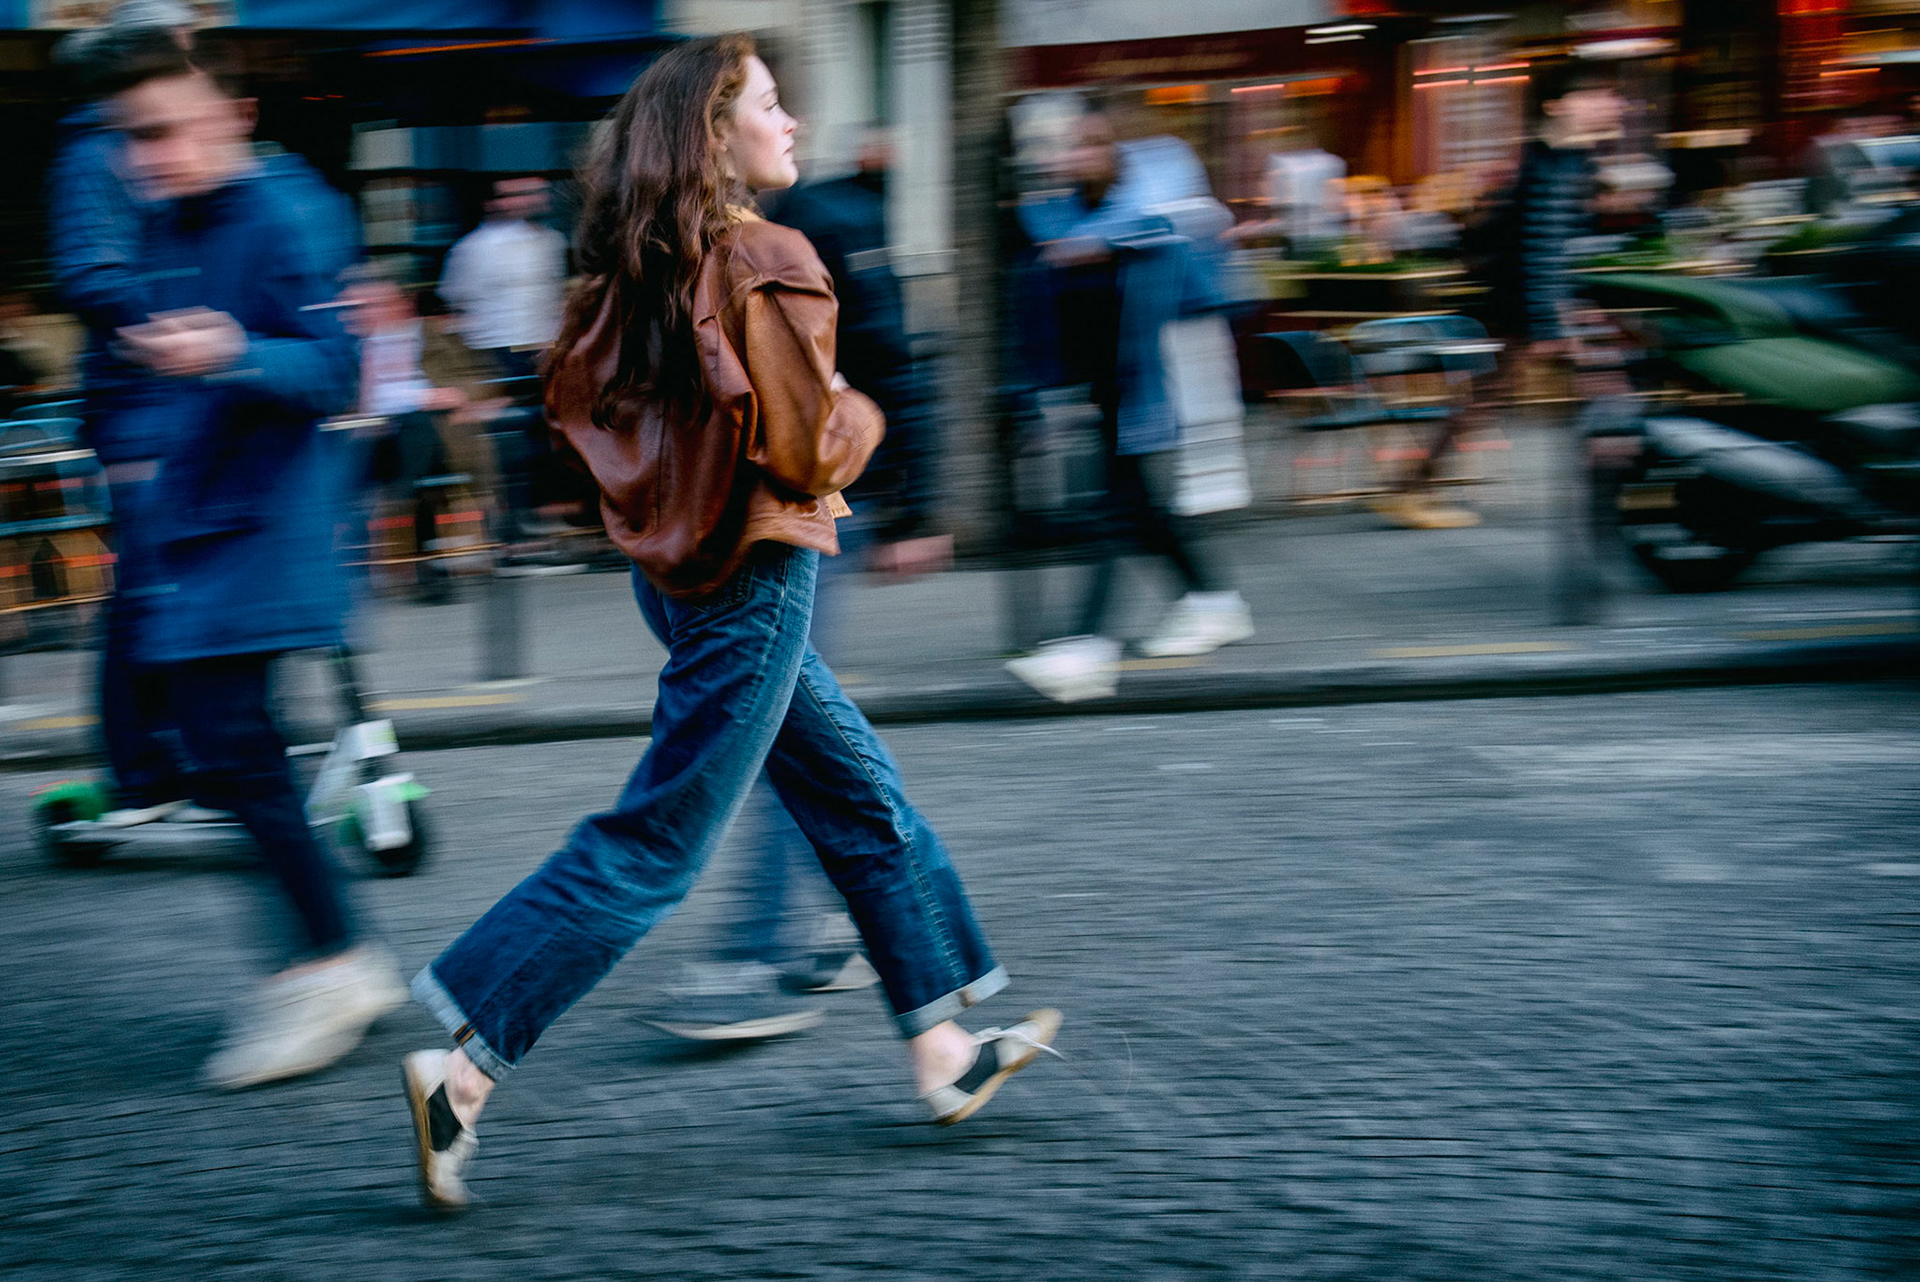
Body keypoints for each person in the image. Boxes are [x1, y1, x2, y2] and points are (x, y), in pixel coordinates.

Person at [400, 35, 1061, 1213]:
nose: (793, 122)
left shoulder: (641, 268)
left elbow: (583, 416)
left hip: (680, 572)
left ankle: (945, 1052)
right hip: (756, 573)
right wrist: (858, 409)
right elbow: (809, 448)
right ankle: (462, 1067)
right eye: (770, 104)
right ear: (718, 134)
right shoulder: (764, 255)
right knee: (661, 839)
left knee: (860, 794)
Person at [90, 28, 404, 1088]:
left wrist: (232, 351)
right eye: (129, 138)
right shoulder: (174, 215)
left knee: (230, 741)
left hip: (266, 527)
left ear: (232, 113)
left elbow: (336, 366)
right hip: (198, 520)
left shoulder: (285, 213)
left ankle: (329, 960)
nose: (146, 156)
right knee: (221, 746)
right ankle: (325, 956)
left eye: (164, 130)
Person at [640, 128, 948, 1041]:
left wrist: (918, 504)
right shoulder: (697, 238)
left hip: (806, 515)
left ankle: (759, 953)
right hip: (734, 522)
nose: (796, 129)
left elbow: (888, 363)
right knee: (802, 734)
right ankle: (826, 944)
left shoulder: (816, 226)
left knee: (782, 732)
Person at [1004, 112, 1252, 704]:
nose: (1076, 153)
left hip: (1147, 392)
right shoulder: (1061, 220)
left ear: (1119, 154)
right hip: (1093, 394)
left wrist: (1113, 245)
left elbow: (1205, 295)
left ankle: (1087, 648)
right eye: (1070, 143)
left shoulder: (1154, 226)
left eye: (1091, 142)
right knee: (1143, 512)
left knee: (1112, 515)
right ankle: (1216, 603)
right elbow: (1038, 285)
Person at [46, 0, 199, 826]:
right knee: (147, 587)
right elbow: (92, 275)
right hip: (139, 407)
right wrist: (172, 324)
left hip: (174, 402)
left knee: (171, 582)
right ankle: (142, 770)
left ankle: (175, 752)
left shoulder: (145, 149)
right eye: (185, 49)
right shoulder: (96, 156)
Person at [436, 175, 569, 381]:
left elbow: (555, 295)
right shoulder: (472, 248)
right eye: (515, 195)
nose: (526, 201)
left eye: (533, 194)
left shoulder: (551, 241)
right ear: (493, 202)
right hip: (497, 350)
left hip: (546, 347)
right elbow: (457, 303)